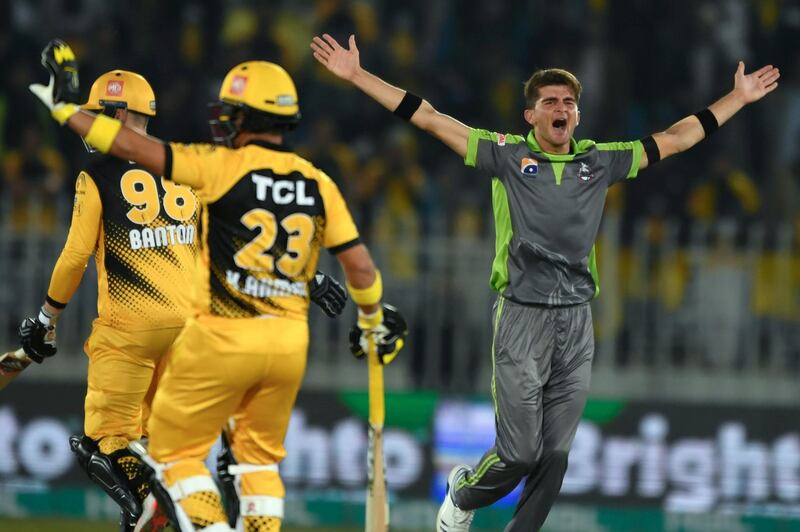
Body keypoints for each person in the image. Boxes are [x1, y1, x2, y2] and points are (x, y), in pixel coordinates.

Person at [309, 33, 779, 532]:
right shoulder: (506, 156)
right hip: (521, 317)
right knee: (518, 453)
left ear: (577, 116)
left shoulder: (599, 161)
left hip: (577, 322)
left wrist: (738, 98)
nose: (561, 109)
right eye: (550, 102)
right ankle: (463, 493)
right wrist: (357, 75)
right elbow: (427, 117)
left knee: (555, 454)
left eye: (569, 103)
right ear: (530, 116)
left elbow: (678, 137)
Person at [28, 39, 406, 532]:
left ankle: (188, 517)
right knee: (256, 464)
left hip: (177, 334)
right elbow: (348, 265)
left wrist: (65, 109)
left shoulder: (211, 165)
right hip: (258, 339)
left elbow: (85, 238)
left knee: (144, 450)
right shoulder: (316, 180)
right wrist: (359, 311)